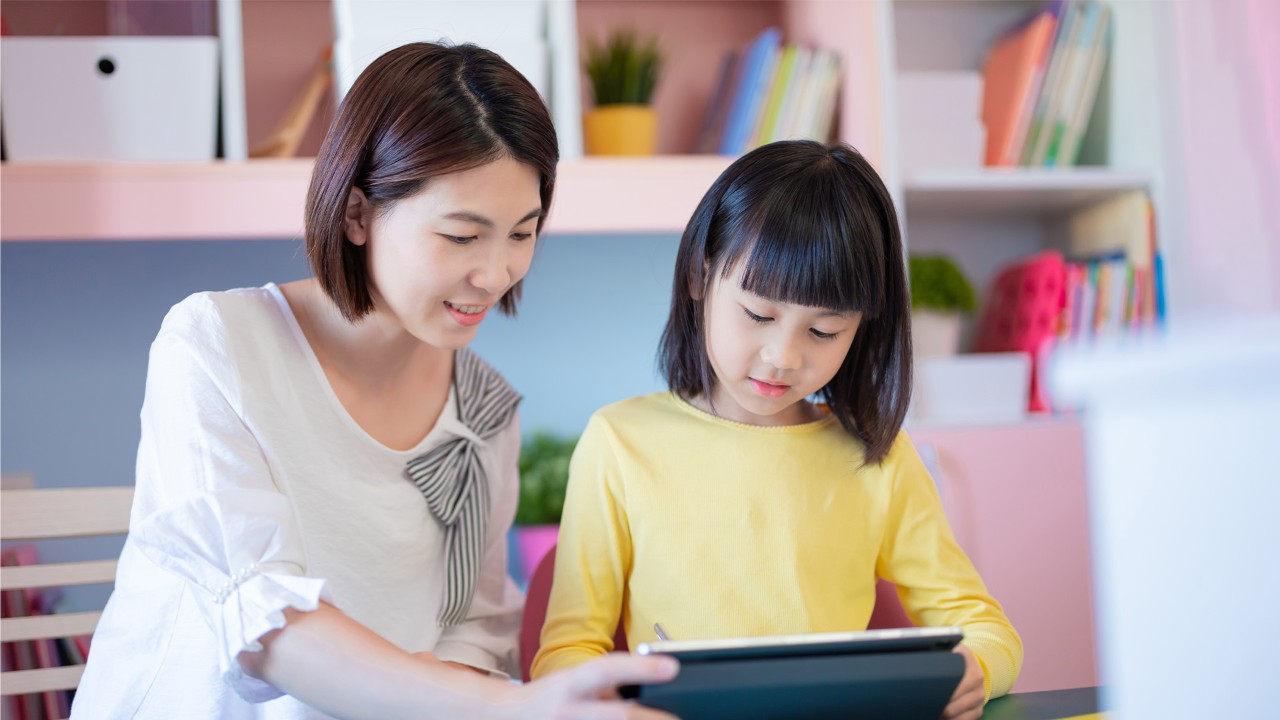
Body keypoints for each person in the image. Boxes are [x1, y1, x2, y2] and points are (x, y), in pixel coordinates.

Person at [71, 42, 676, 720]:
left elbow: (472, 627)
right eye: (461, 236)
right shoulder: (216, 345)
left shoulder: (482, 409)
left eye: (521, 233)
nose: (496, 272)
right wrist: (508, 710)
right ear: (358, 213)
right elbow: (262, 622)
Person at [531, 140, 1023, 719]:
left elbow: (988, 630)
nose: (783, 356)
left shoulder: (875, 459)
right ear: (700, 275)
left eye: (825, 331)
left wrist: (977, 668)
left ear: (862, 328)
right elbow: (566, 651)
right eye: (759, 315)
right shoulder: (619, 442)